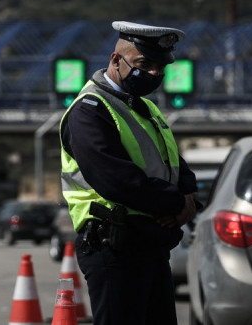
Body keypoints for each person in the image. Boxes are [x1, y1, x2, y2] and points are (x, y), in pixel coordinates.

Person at [60, 21, 199, 325]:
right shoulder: (90, 109)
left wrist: (189, 201)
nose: (154, 73)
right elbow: (115, 180)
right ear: (115, 60)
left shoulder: (146, 108)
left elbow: (175, 163)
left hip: (151, 243)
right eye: (143, 64)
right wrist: (176, 205)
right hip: (114, 246)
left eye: (160, 66)